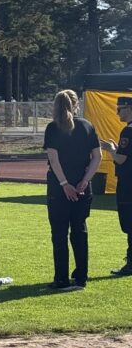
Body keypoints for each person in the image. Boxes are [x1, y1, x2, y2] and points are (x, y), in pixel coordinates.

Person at [44, 89, 101, 290]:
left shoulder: (53, 128)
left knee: (59, 233)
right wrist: (85, 180)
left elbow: (53, 159)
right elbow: (97, 157)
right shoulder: (87, 126)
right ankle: (81, 277)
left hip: (59, 189)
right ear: (76, 104)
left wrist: (64, 184)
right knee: (80, 231)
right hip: (82, 187)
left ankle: (61, 278)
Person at [102, 97, 132, 276]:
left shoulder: (128, 131)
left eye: (120, 109)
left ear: (129, 108)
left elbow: (120, 159)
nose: (117, 112)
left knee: (129, 223)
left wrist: (111, 149)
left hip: (128, 184)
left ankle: (131, 263)